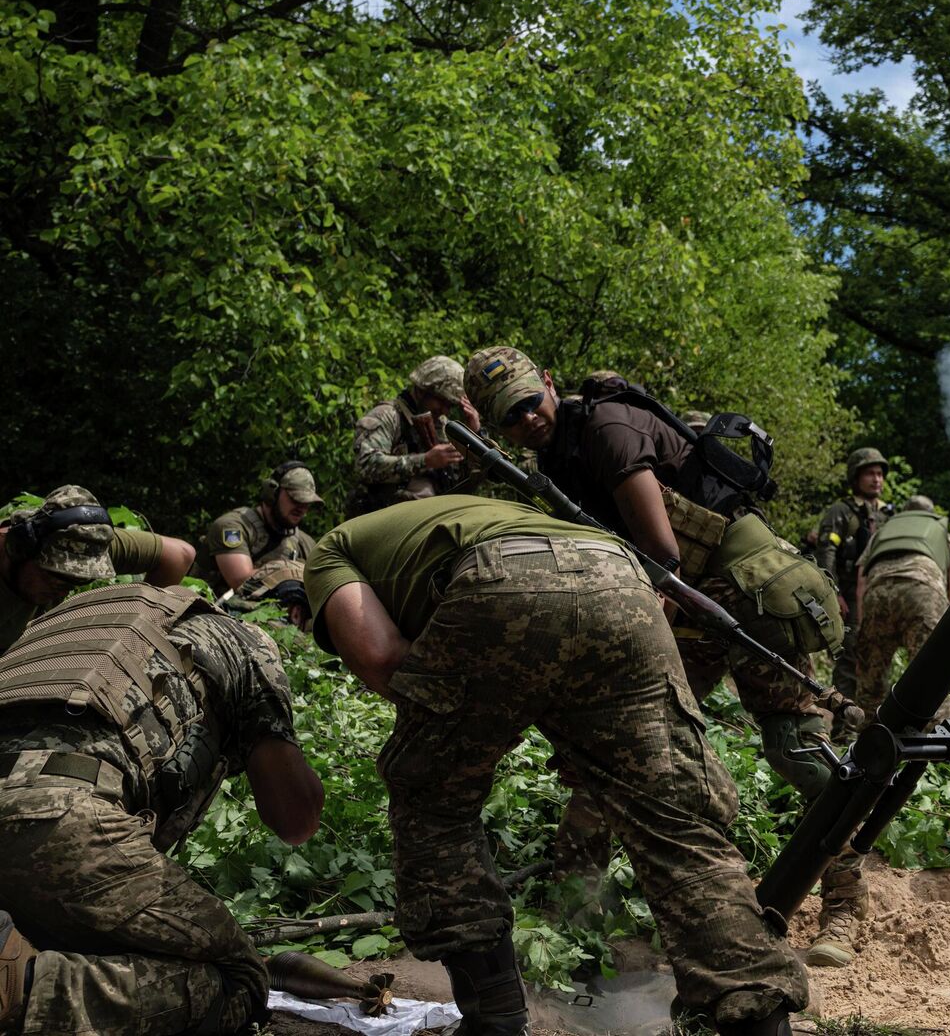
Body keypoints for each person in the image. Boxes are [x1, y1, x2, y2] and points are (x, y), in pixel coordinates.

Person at [306, 495, 807, 1035]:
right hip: (623, 577)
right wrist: (582, 732)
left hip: (500, 581)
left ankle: (495, 1019)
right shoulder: (479, 511)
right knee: (673, 817)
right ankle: (757, 1014)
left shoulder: (329, 553)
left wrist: (476, 733)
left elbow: (383, 659)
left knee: (433, 798)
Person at [463, 346, 865, 968]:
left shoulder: (606, 427)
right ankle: (574, 913)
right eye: (508, 417)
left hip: (740, 587)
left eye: (529, 402)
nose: (526, 420)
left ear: (548, 381)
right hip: (687, 598)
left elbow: (661, 553)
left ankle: (844, 905)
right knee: (621, 750)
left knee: (796, 746)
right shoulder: (555, 456)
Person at [0, 582, 325, 1036]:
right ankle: (24, 991)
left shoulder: (63, 622)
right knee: (239, 977)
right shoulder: (244, 641)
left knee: (49, 931)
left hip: (47, 821)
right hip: (58, 815)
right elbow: (295, 820)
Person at [0, 485, 196, 650]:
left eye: (80, 579)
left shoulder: (82, 545)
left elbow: (178, 556)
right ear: (21, 547)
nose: (63, 590)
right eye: (55, 576)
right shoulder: (33, 541)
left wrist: (135, 635)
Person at [849, 495, 950, 721]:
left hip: (877, 595)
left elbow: (860, 587)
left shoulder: (880, 536)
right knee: (934, 681)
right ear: (932, 514)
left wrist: (864, 632)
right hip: (922, 595)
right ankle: (935, 744)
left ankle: (869, 746)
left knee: (870, 684)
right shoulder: (945, 537)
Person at [345, 355, 482, 517]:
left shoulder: (441, 425)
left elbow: (461, 483)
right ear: (422, 390)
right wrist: (425, 461)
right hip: (381, 516)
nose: (445, 411)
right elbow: (365, 466)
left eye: (450, 405)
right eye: (442, 401)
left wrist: (473, 437)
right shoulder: (387, 416)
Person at [815, 448, 893, 718]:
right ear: (856, 476)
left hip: (880, 597)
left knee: (879, 660)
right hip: (848, 595)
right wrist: (832, 592)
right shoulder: (841, 511)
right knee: (849, 659)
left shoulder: (889, 515)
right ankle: (841, 725)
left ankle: (873, 723)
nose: (877, 479)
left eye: (880, 474)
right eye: (870, 473)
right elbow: (826, 552)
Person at [191, 462, 324, 592]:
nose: (301, 508)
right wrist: (290, 571)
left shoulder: (305, 544)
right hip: (209, 609)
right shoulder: (233, 526)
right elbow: (241, 581)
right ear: (272, 493)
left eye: (307, 503)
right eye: (296, 499)